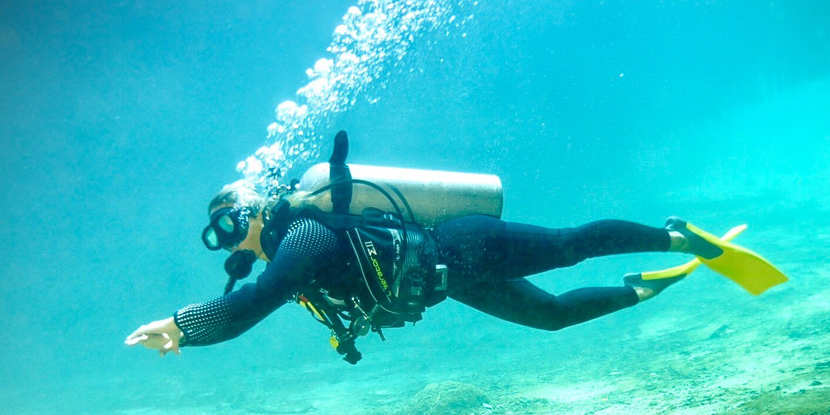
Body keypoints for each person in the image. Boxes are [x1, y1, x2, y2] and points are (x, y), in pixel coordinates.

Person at [127, 138, 782, 364]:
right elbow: (258, 295)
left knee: (567, 245)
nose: (232, 236)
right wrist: (194, 328)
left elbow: (253, 305)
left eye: (232, 220)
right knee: (551, 317)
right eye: (221, 232)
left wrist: (183, 325)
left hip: (459, 245)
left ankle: (676, 234)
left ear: (258, 207)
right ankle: (650, 283)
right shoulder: (288, 252)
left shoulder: (301, 236)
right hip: (450, 282)